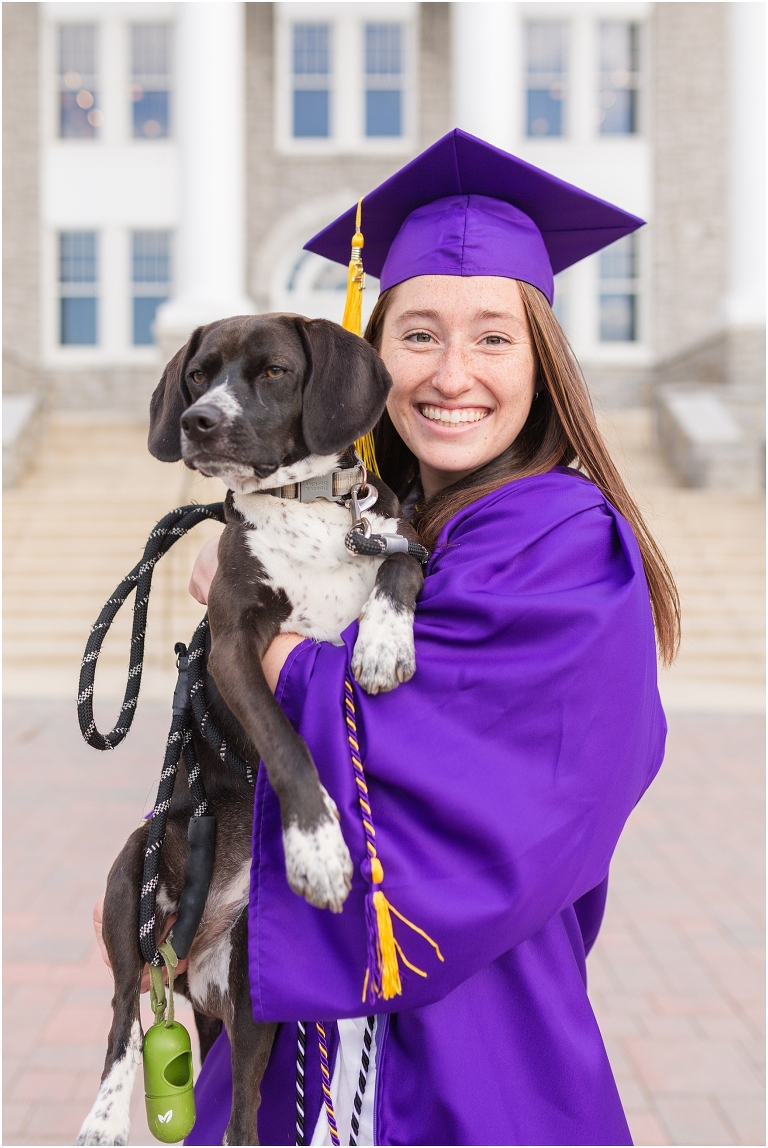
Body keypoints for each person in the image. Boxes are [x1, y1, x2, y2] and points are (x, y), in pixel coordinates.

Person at [99, 130, 678, 1146]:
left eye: (493, 338)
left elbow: (468, 770)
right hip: (288, 1022)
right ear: (368, 366)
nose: (453, 373)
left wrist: (259, 641)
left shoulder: (561, 538)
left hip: (468, 1034)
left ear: (543, 362)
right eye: (418, 335)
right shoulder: (380, 523)